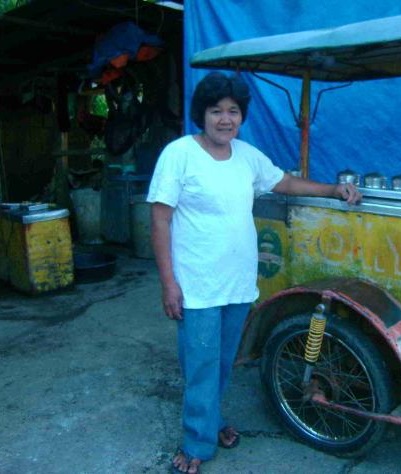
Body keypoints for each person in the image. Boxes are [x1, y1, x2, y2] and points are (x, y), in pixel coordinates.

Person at [147, 72, 360, 474]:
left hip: (238, 282)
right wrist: (168, 283)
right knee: (200, 365)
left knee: (223, 362)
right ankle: (196, 443)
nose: (225, 119)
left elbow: (285, 182)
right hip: (196, 285)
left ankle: (211, 422)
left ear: (241, 116)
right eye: (216, 111)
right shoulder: (179, 154)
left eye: (233, 111)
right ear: (201, 114)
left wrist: (332, 190)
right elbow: (160, 220)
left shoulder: (246, 155)